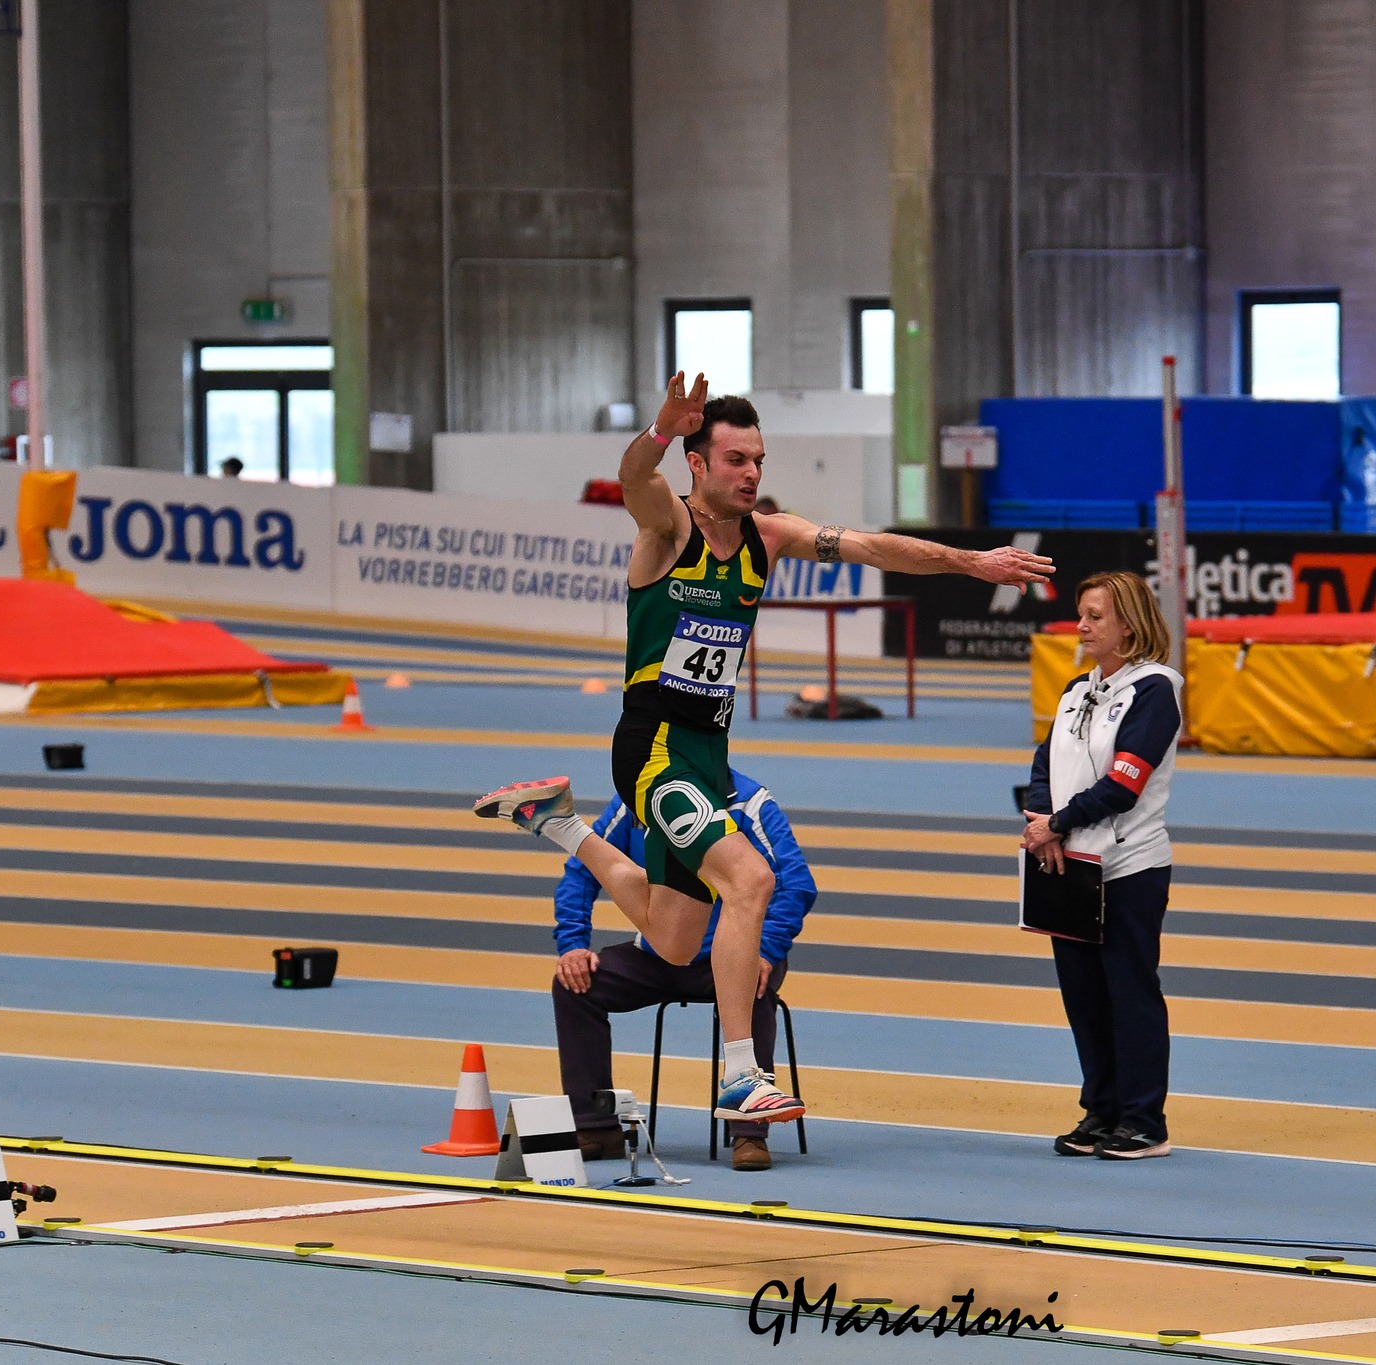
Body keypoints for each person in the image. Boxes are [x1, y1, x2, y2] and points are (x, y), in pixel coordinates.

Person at [476, 372, 1052, 1129]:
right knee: (751, 876)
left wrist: (969, 563)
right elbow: (631, 480)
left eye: (758, 460)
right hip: (652, 749)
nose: (751, 473)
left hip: (707, 754)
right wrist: (657, 429)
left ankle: (560, 824)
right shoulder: (667, 531)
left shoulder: (767, 537)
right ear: (697, 464)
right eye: (735, 459)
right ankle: (741, 1073)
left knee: (675, 940)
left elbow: (873, 546)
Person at [553, 769, 814, 1172]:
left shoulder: (750, 803)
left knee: (753, 986)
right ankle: (595, 1125)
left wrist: (765, 950)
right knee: (575, 984)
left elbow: (795, 884)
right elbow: (585, 868)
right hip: (658, 956)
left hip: (730, 959)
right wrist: (573, 944)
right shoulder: (639, 799)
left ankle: (750, 1131)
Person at [1021, 570, 1183, 1160]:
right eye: (1081, 614)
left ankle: (1145, 1122)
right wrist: (1040, 820)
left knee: (1129, 992)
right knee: (1083, 996)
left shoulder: (1155, 690)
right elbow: (1046, 761)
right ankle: (1102, 1110)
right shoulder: (1074, 690)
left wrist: (1056, 825)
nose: (1082, 625)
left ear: (1129, 625)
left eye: (1095, 616)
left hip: (1129, 867)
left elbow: (1125, 783)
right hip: (1067, 866)